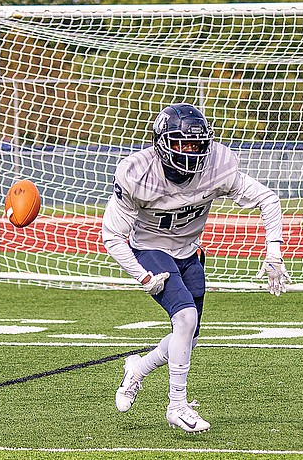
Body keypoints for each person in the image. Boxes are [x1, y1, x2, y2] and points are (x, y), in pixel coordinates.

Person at [101, 103, 289, 434]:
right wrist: (142, 275)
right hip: (150, 248)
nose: (190, 152)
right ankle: (177, 406)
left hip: (189, 251)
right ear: (161, 142)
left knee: (187, 338)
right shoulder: (136, 174)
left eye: (196, 144)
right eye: (181, 143)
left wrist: (273, 252)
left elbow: (268, 199)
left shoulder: (218, 165)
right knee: (185, 318)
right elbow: (113, 237)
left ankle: (137, 370)